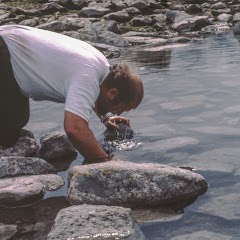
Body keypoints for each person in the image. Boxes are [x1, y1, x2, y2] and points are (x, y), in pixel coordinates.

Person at [0, 25, 144, 163]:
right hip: (5, 51)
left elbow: (93, 95)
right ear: (113, 93)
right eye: (121, 108)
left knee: (19, 119)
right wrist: (105, 161)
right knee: (7, 133)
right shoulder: (88, 75)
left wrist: (106, 116)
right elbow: (74, 129)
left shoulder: (101, 68)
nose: (118, 113)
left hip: (11, 46)